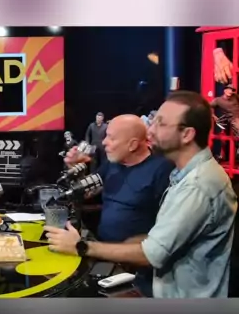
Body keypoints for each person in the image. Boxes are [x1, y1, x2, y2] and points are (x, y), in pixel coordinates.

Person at [47, 91, 237, 298]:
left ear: (187, 135)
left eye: (160, 124)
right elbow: (170, 235)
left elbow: (152, 254)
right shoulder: (185, 175)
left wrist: (81, 247)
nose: (150, 131)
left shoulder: (197, 186)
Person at [64, 114, 173, 295]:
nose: (104, 142)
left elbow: (168, 234)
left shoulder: (162, 170)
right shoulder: (112, 164)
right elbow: (87, 192)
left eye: (111, 138)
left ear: (132, 145)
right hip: (102, 254)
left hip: (137, 267)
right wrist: (74, 169)